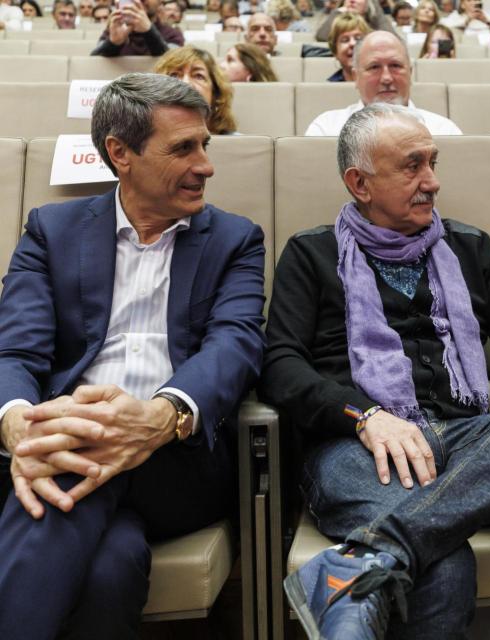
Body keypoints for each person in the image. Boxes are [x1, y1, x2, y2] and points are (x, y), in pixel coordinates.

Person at [261, 102, 490, 640]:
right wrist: (364, 415)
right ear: (360, 182)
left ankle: (378, 551)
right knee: (446, 564)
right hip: (359, 447)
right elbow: (280, 367)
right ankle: (401, 545)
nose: (432, 182)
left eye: (433, 163)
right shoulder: (311, 254)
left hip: (468, 440)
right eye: (412, 166)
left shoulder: (470, 246)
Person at [0, 72, 265, 640]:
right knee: (110, 569)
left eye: (205, 145)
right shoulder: (52, 230)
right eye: (183, 149)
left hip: (175, 460)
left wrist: (160, 415)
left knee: (74, 469)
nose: (206, 165)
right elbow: (15, 349)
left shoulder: (235, 239)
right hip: (62, 443)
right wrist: (19, 425)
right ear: (120, 154)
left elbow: (236, 343)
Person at [305, 30, 462, 135]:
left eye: (395, 66)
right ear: (356, 77)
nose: (386, 78)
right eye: (374, 67)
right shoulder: (326, 129)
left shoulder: (444, 131)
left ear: (410, 72)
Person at [154, 46, 238, 134]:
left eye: (198, 76)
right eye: (174, 75)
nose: (186, 83)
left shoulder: (240, 145)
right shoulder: (145, 144)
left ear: (216, 94)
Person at [92, 0, 184, 56]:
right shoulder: (113, 31)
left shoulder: (173, 33)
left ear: (160, 1)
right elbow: (94, 62)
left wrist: (149, 31)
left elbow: (174, 62)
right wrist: (113, 43)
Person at [316, 0, 395, 43]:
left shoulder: (374, 20)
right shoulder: (339, 19)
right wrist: (337, 12)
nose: (352, 1)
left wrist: (375, 8)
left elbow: (392, 39)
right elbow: (321, 37)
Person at [327, 13, 371, 81]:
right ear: (335, 52)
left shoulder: (382, 81)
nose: (352, 43)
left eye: (358, 38)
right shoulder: (327, 89)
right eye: (345, 40)